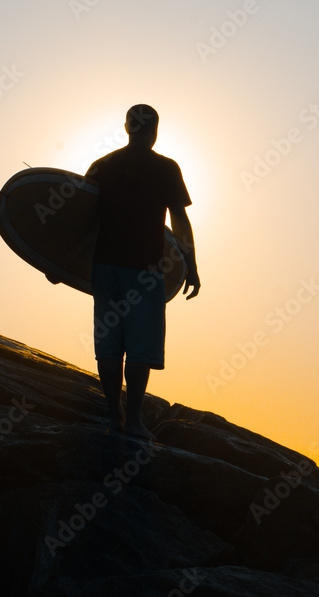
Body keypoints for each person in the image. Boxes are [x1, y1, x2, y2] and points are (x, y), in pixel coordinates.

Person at [86, 104, 199, 439]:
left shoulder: (102, 166)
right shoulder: (166, 168)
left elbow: (79, 217)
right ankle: (133, 420)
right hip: (146, 270)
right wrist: (191, 266)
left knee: (108, 346)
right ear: (155, 131)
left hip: (104, 267)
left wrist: (58, 264)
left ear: (126, 127)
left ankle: (113, 414)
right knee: (139, 348)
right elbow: (179, 221)